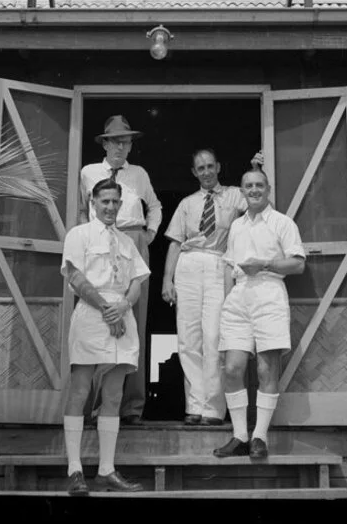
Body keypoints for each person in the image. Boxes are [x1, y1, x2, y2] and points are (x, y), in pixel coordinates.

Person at [60, 176, 150, 496]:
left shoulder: (126, 242)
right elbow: (75, 275)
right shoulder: (79, 234)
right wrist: (105, 308)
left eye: (115, 202)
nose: (110, 207)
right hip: (91, 313)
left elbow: (138, 280)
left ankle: (106, 469)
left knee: (114, 394)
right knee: (81, 389)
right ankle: (74, 470)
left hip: (121, 317)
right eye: (105, 202)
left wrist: (123, 305)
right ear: (93, 204)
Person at [161, 148, 263, 426]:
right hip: (188, 265)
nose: (206, 172)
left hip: (218, 263)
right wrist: (167, 279)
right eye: (200, 168)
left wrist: (255, 169)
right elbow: (174, 242)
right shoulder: (187, 203)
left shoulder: (233, 195)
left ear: (218, 167)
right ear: (194, 173)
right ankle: (194, 405)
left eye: (209, 166)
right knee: (188, 337)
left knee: (214, 336)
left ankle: (214, 409)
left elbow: (258, 203)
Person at [213, 168, 305, 460]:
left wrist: (265, 265)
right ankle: (239, 435)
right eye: (248, 186)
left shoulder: (282, 223)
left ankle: (259, 437)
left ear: (268, 189)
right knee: (232, 369)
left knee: (267, 369)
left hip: (269, 293)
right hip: (239, 296)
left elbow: (298, 264)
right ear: (242, 191)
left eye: (259, 185)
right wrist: (228, 300)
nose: (254, 190)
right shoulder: (237, 226)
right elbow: (229, 265)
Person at [78, 115, 162, 424]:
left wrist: (149, 234)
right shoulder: (89, 173)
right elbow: (81, 210)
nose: (120, 147)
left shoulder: (138, 174)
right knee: (101, 318)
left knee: (134, 322)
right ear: (104, 143)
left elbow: (155, 206)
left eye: (125, 142)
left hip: (134, 239)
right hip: (101, 241)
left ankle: (131, 407)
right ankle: (96, 404)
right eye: (115, 141)